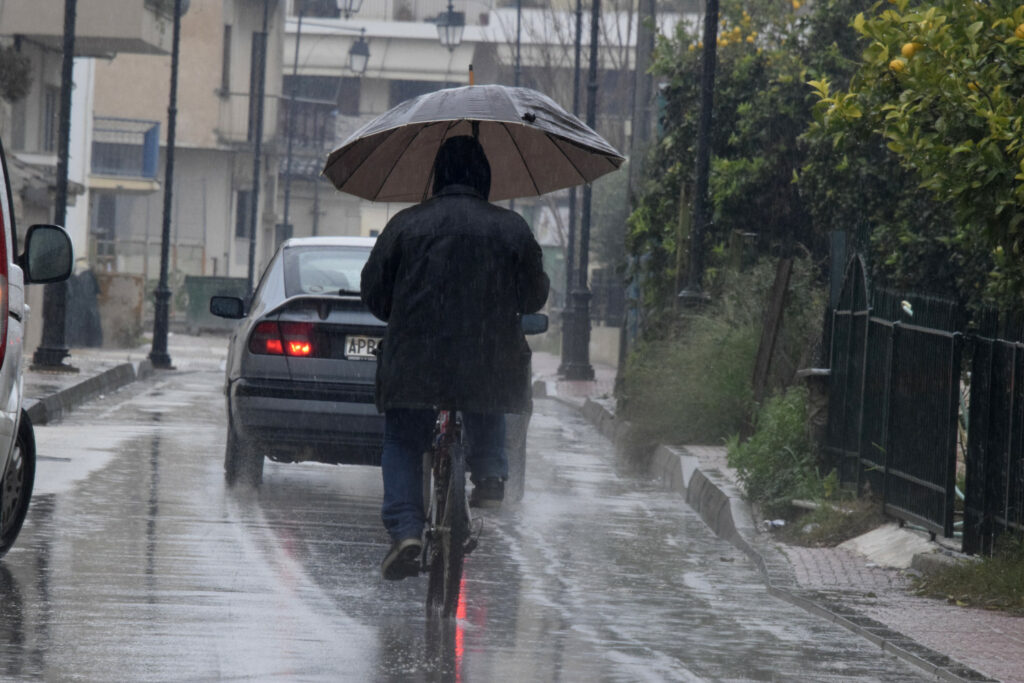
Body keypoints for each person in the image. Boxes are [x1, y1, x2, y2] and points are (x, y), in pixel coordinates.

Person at [361, 135, 550, 581]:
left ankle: (406, 529)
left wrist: (403, 312)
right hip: (488, 357)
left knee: (405, 440)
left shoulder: (405, 225)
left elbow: (374, 293)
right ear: (484, 178)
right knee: (485, 389)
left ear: (438, 176)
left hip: (414, 360)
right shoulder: (511, 228)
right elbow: (534, 295)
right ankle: (489, 476)